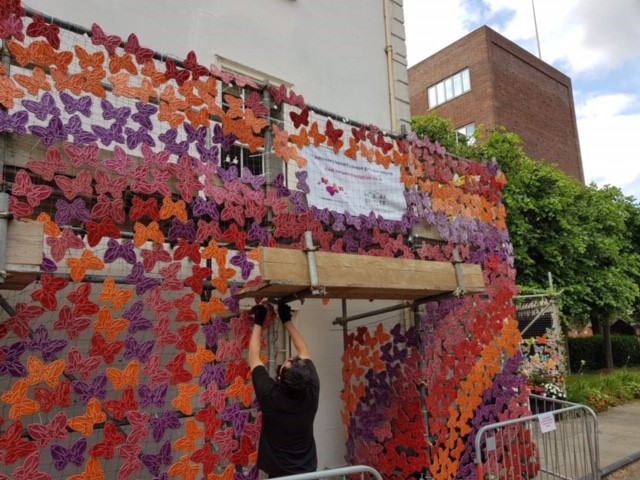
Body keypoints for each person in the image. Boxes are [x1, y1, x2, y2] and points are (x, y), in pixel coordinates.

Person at [249, 302, 320, 478]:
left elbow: (253, 357)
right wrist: (287, 320)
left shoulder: (271, 396)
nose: (290, 358)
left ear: (279, 379)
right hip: (308, 473)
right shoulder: (311, 389)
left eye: (287, 363)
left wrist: (258, 322)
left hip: (279, 473)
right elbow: (304, 351)